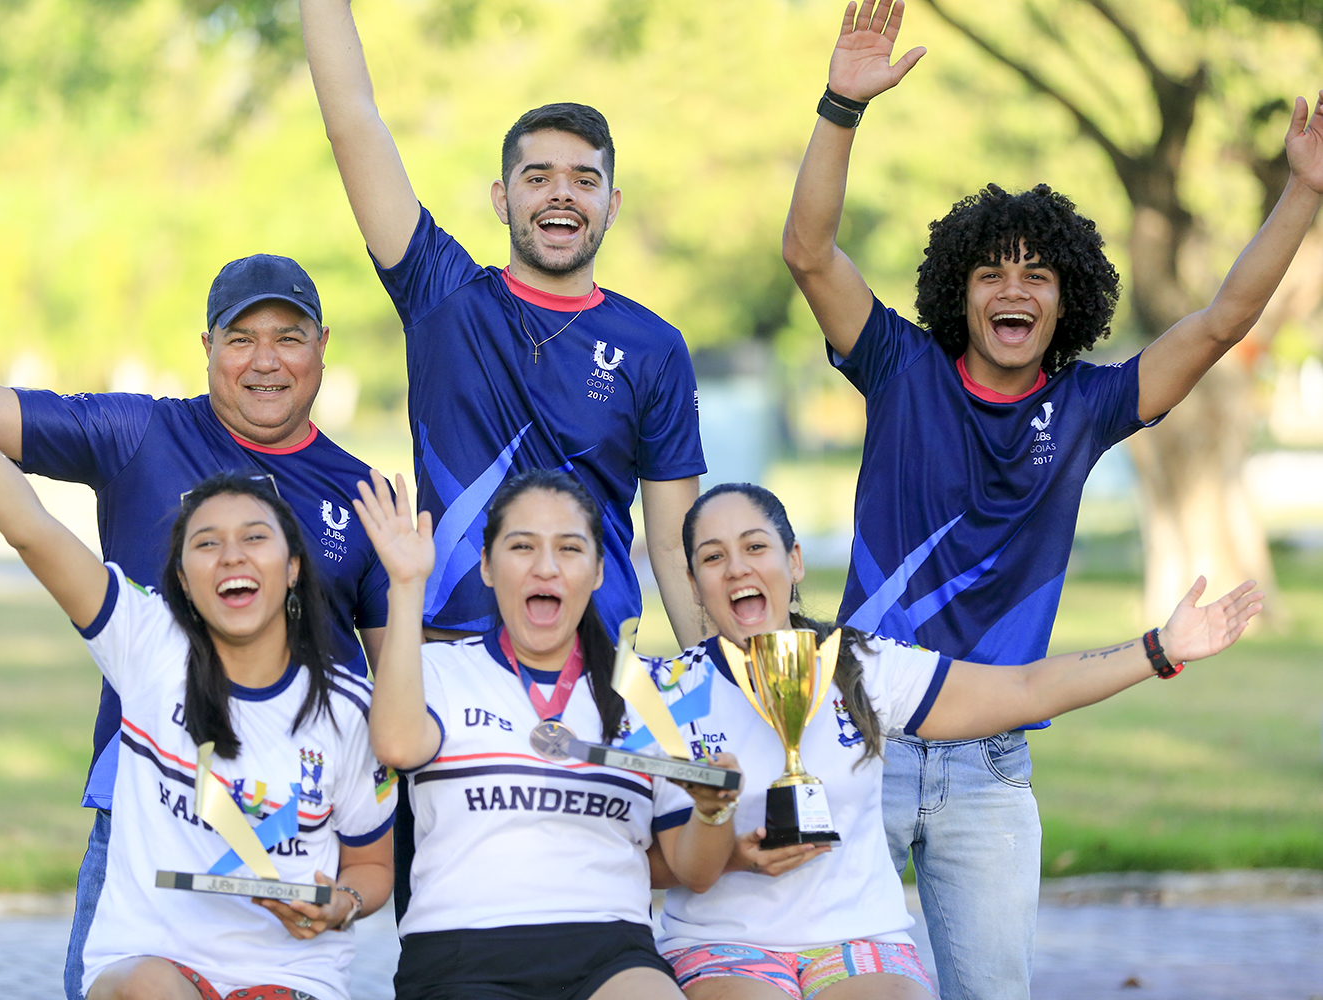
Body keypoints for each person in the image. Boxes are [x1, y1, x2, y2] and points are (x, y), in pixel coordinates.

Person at [780, 3, 1323, 995]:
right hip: (863, 747)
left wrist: (1303, 193)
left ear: (1067, 299)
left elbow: (1220, 323)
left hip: (992, 771)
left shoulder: (1087, 406)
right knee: (825, 984)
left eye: (1036, 273)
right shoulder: (900, 367)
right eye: (991, 271)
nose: (1012, 288)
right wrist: (840, 107)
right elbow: (810, 254)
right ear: (962, 292)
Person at [0, 253, 390, 1000]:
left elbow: (397, 702)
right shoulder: (142, 435)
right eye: (239, 337)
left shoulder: (364, 497)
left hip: (290, 832)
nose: (264, 360)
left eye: (288, 337)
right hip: (143, 811)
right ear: (207, 347)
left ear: (323, 343)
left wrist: (345, 895)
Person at [650, 482, 1260, 999]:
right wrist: (723, 835)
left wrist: (1159, 649)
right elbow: (667, 868)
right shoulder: (669, 691)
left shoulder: (860, 663)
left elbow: (1023, 688)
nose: (737, 569)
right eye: (712, 557)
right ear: (693, 580)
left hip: (859, 940)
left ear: (795, 560)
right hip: (722, 942)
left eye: (756, 547)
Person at [298, 0, 707, 650]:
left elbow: (675, 545)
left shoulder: (654, 347)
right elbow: (353, 123)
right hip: (452, 655)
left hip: (596, 666)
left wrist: (717, 697)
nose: (561, 194)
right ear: (502, 197)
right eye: (537, 177)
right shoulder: (444, 297)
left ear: (612, 204)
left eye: (584, 179)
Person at [353, 467, 742, 1000]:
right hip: (460, 952)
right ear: (487, 567)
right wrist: (404, 586)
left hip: (611, 951)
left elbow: (693, 870)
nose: (545, 567)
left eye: (569, 548)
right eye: (521, 547)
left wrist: (713, 809)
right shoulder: (440, 670)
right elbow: (396, 745)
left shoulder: (652, 691)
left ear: (600, 570)